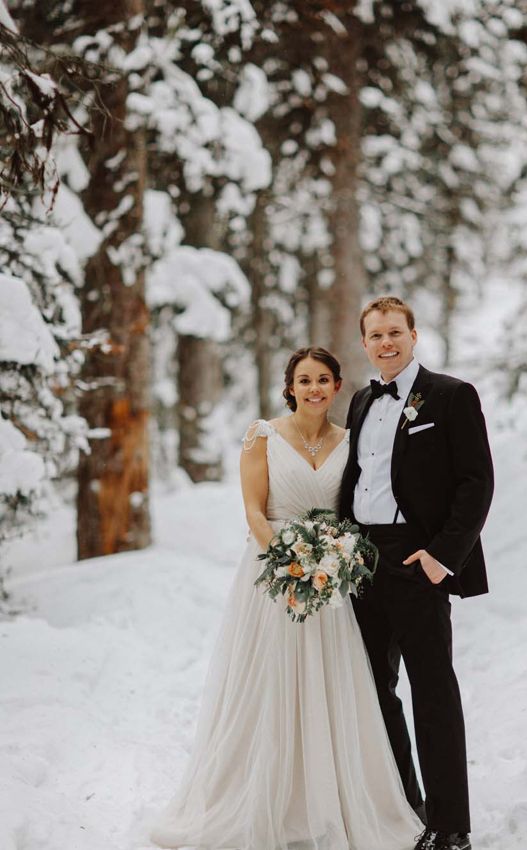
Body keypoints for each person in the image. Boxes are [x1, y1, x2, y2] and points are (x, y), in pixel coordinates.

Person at [150, 346, 423, 850]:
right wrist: (289, 560)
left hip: (332, 584)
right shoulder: (262, 436)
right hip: (273, 576)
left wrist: (330, 562)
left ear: (338, 386)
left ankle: (330, 801)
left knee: (330, 684)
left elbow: (357, 508)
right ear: (290, 387)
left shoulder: (351, 439)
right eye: (304, 380)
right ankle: (262, 799)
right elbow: (254, 512)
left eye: (323, 379)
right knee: (270, 683)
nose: (314, 388)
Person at [339, 297, 494, 850]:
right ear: (364, 342)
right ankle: (407, 807)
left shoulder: (451, 396)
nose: (386, 343)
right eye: (375, 335)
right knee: (374, 691)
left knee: (432, 692)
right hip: (362, 560)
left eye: (395, 333)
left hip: (416, 560)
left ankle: (451, 826)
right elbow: (357, 479)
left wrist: (439, 557)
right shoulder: (360, 400)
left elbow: (476, 483)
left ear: (413, 335)